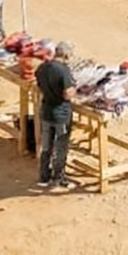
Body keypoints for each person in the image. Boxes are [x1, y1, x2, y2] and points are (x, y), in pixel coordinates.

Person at [35, 41, 76, 191]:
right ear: (65, 55)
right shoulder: (63, 70)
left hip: (46, 111)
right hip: (61, 114)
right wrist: (74, 90)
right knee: (60, 147)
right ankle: (58, 179)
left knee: (46, 146)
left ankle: (44, 176)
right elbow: (67, 94)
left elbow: (39, 86)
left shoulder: (42, 67)